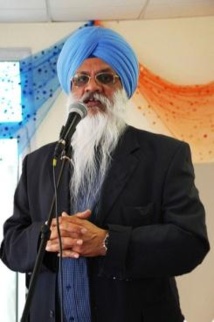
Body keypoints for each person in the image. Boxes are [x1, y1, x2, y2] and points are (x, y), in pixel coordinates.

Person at [0, 25, 210, 322]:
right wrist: (45, 238)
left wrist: (108, 242)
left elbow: (190, 243)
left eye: (105, 77)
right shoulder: (37, 162)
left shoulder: (164, 156)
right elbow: (10, 246)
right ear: (70, 89)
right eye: (81, 79)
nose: (91, 87)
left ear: (122, 86)